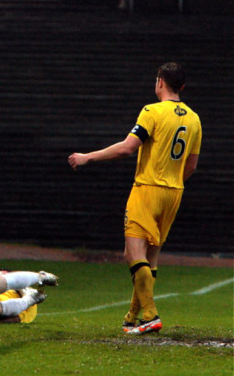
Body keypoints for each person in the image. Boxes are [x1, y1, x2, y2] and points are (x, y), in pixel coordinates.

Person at [68, 62, 202, 335]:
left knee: (132, 253)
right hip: (174, 192)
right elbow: (191, 166)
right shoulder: (194, 119)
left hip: (147, 189)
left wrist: (87, 157)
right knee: (149, 259)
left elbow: (128, 148)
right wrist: (172, 183)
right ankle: (132, 317)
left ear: (160, 82)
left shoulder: (151, 111)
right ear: (183, 87)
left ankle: (151, 315)